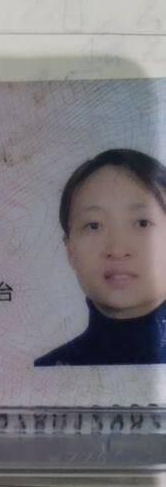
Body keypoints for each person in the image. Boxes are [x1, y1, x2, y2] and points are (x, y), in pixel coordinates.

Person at [35, 148, 166, 366]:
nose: (117, 249)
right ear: (70, 250)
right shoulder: (47, 369)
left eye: (142, 223)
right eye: (94, 225)